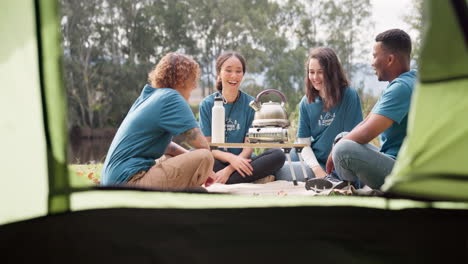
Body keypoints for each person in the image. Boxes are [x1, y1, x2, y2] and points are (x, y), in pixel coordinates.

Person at [101, 52, 215, 190]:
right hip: (129, 182)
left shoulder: (148, 97)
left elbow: (168, 147)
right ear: (182, 80)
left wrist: (191, 162)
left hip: (112, 182)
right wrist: (204, 169)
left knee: (168, 156)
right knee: (205, 157)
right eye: (193, 80)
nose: (195, 86)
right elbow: (202, 146)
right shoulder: (172, 97)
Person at [322, 29, 417, 189]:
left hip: (404, 173)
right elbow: (367, 122)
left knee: (344, 149)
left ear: (390, 59)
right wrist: (341, 142)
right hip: (397, 164)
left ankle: (347, 188)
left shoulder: (401, 88)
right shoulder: (410, 80)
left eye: (374, 56)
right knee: (343, 137)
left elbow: (367, 133)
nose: (372, 62)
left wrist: (338, 149)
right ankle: (339, 180)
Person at [274, 47, 363, 182]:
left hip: (337, 164)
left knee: (281, 172)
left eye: (320, 72)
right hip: (313, 160)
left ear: (332, 72)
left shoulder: (349, 96)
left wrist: (325, 171)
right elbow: (304, 144)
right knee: (278, 160)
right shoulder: (306, 102)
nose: (315, 78)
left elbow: (350, 138)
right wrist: (317, 170)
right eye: (311, 72)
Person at [199, 51, 286, 184]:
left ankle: (223, 179)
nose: (234, 75)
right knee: (197, 155)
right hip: (217, 161)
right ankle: (243, 179)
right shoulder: (207, 104)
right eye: (228, 70)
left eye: (238, 71)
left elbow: (248, 148)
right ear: (219, 73)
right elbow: (208, 147)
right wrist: (231, 159)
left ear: (243, 74)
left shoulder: (252, 104)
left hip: (242, 162)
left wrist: (229, 169)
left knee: (278, 155)